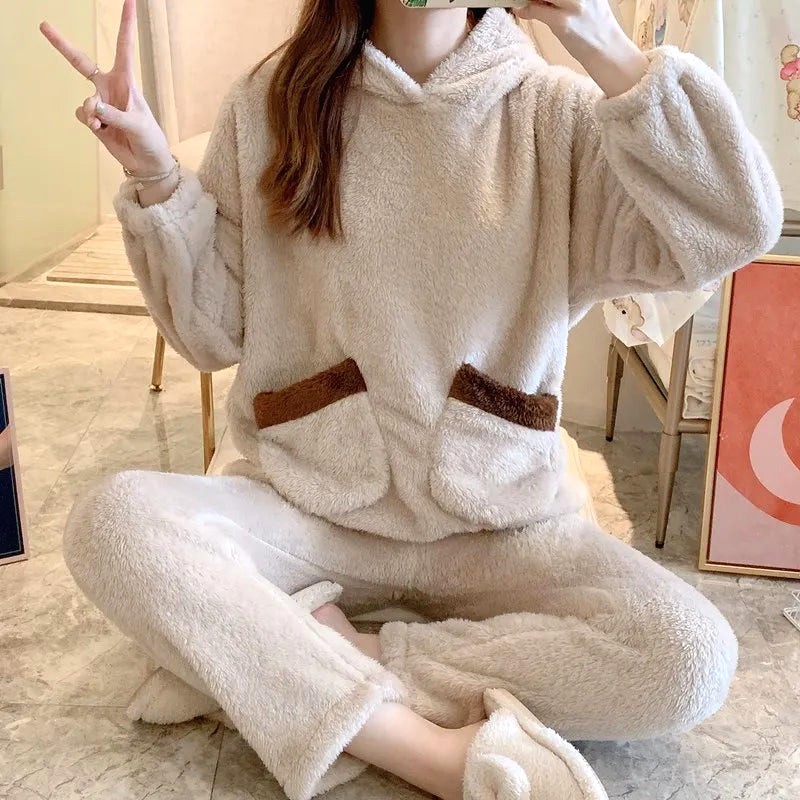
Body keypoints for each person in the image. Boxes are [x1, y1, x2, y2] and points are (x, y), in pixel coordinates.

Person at [42, 1, 782, 798]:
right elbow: (214, 333)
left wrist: (600, 40)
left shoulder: (556, 114)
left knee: (689, 656)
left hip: (498, 522)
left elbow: (736, 224)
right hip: (312, 509)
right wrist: (157, 177)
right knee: (115, 522)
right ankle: (429, 753)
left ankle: (302, 663)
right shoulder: (272, 103)